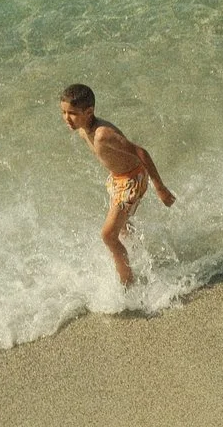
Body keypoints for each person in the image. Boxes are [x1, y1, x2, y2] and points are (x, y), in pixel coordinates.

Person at [58, 84, 174, 287]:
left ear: (89, 112)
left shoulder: (103, 134)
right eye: (64, 112)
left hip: (131, 180)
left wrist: (160, 187)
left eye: (72, 113)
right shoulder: (83, 129)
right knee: (121, 229)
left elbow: (141, 153)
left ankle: (127, 284)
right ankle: (143, 257)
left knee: (108, 235)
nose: (67, 118)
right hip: (118, 179)